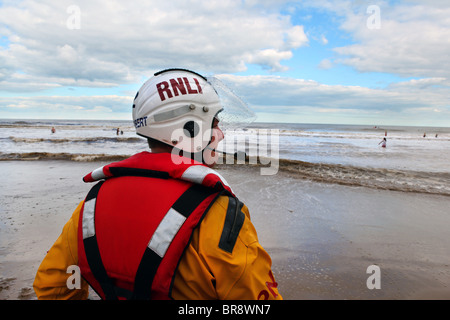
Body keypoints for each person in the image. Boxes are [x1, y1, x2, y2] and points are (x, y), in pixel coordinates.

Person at [33, 68, 282, 300]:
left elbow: (51, 285)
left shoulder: (93, 202)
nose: (222, 134)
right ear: (190, 128)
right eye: (215, 124)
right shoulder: (218, 211)